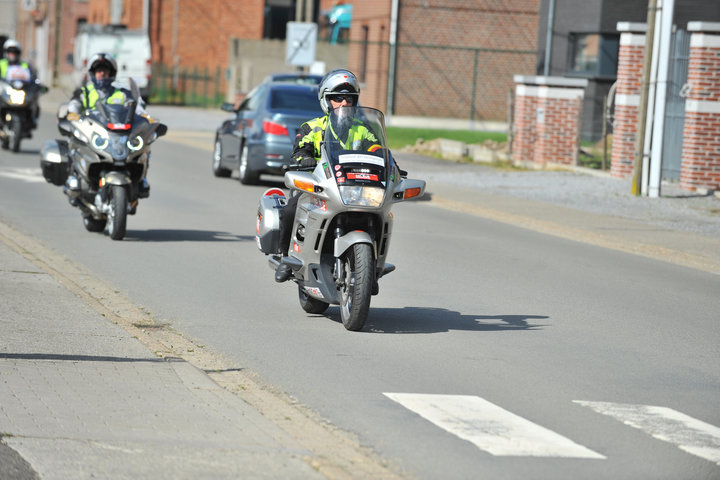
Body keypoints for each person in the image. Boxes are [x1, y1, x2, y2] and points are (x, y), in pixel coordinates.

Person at [274, 68, 380, 282]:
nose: (343, 103)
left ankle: (370, 268)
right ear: (326, 100)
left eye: (348, 98)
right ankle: (285, 256)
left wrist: (391, 167)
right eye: (337, 98)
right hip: (319, 186)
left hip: (351, 188)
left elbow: (377, 151)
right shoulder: (312, 128)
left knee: (380, 213)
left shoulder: (363, 130)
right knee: (290, 209)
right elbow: (298, 154)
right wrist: (303, 160)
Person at [65, 53, 152, 200]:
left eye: (105, 71)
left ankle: (141, 180)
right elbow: (74, 104)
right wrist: (72, 113)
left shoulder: (122, 93)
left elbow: (135, 107)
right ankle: (74, 176)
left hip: (116, 135)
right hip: (93, 134)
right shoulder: (85, 92)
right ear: (93, 73)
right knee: (73, 143)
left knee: (144, 146)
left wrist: (144, 115)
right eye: (99, 70)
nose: (102, 74)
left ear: (111, 74)